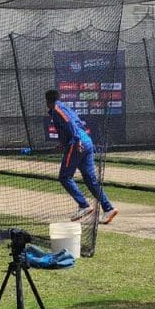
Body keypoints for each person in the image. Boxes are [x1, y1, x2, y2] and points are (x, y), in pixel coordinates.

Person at [45, 90, 118, 225]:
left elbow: (70, 124)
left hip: (77, 143)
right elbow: (75, 124)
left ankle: (84, 205)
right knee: (90, 180)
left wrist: (77, 140)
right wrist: (63, 143)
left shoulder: (57, 109)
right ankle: (108, 208)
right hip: (86, 141)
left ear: (47, 101)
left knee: (64, 177)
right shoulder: (64, 107)